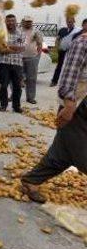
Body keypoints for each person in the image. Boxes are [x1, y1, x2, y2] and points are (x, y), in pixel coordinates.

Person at [20, 33, 87, 203]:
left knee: (62, 153)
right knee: (80, 151)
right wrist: (69, 104)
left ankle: (31, 181)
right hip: (78, 106)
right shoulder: (83, 42)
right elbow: (69, 74)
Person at [0, 14, 25, 113]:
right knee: (3, 85)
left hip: (17, 63)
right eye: (8, 21)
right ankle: (3, 105)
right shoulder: (1, 34)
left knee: (17, 86)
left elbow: (21, 48)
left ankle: (16, 106)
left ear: (15, 21)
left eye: (12, 21)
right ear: (5, 22)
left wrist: (7, 46)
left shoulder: (21, 33)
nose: (11, 23)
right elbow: (0, 49)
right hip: (3, 62)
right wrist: (13, 48)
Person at [51, 16, 80, 87]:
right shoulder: (62, 30)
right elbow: (57, 39)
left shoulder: (77, 31)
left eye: (70, 22)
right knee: (59, 66)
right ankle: (54, 81)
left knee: (71, 67)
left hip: (72, 52)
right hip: (62, 50)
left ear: (74, 22)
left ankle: (69, 83)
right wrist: (56, 47)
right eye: (68, 22)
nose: (69, 23)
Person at [21, 16, 43, 104]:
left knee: (31, 78)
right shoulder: (19, 31)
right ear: (23, 22)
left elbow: (40, 44)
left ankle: (30, 97)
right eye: (27, 21)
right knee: (16, 78)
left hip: (32, 58)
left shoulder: (36, 31)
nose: (28, 23)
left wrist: (38, 56)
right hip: (19, 58)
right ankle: (14, 95)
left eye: (30, 21)